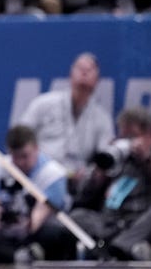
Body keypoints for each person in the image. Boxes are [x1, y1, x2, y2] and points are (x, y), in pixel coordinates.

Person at [68, 107, 151, 260]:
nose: (127, 142)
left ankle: (115, 249)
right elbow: (81, 194)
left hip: (143, 222)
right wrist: (101, 169)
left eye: (132, 137)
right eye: (123, 136)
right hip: (111, 223)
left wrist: (148, 160)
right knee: (77, 216)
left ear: (149, 133)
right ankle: (126, 248)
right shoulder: (117, 157)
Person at [0, 125, 72, 264]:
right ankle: (16, 255)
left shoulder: (53, 174)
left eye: (25, 156)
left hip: (35, 230)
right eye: (15, 157)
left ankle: (18, 254)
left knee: (58, 234)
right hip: (2, 231)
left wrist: (23, 224)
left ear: (36, 149)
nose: (20, 162)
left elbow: (38, 218)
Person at [16, 52, 114, 190]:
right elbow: (19, 139)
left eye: (89, 70)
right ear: (70, 74)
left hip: (77, 184)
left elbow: (105, 157)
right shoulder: (43, 104)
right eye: (80, 68)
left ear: (97, 80)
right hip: (38, 177)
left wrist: (92, 173)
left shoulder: (102, 118)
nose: (84, 73)